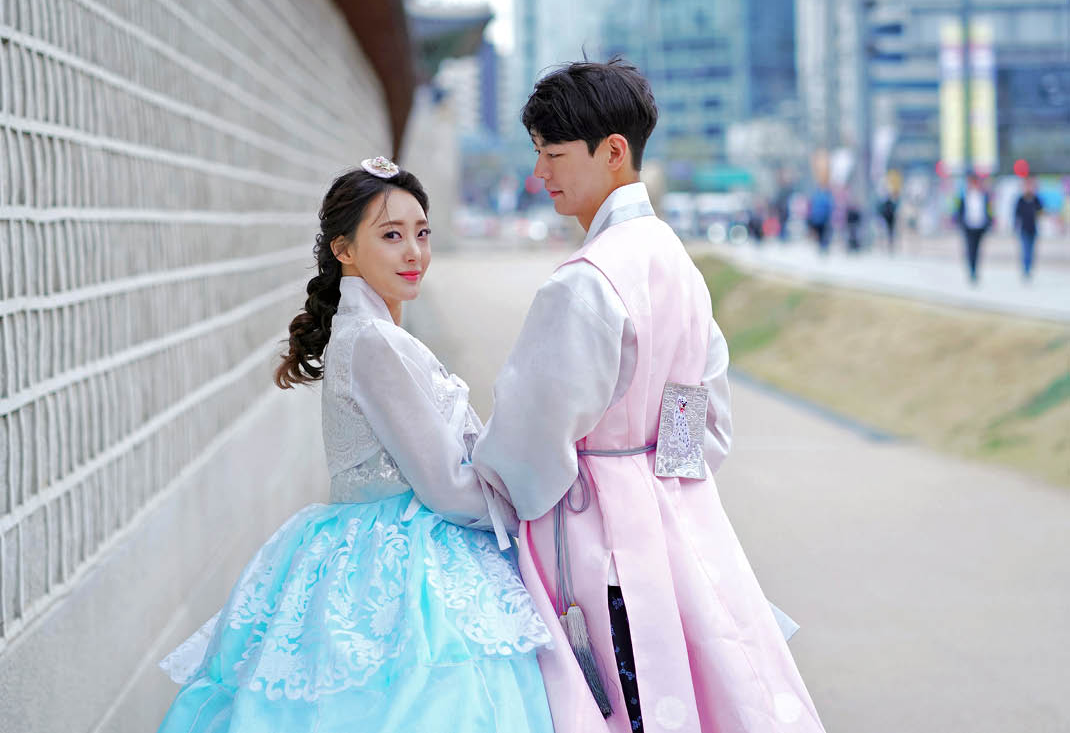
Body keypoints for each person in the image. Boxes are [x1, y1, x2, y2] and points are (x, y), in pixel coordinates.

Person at [473, 60, 824, 733]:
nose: (540, 172)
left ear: (613, 151)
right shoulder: (675, 262)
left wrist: (486, 483)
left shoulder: (585, 281)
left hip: (594, 540)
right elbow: (701, 424)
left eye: (553, 154)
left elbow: (528, 441)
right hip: (677, 527)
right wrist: (654, 476)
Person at [156, 159, 553, 733]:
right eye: (391, 236)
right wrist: (522, 514)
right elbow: (444, 486)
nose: (414, 252)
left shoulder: (371, 333)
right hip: (404, 557)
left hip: (373, 544)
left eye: (422, 233)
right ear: (343, 249)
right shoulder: (374, 342)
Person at [954, 172, 993, 284]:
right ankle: (972, 271)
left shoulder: (984, 195)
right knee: (970, 249)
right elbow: (958, 210)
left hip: (980, 226)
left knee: (978, 249)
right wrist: (960, 222)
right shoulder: (963, 195)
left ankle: (975, 270)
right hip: (968, 226)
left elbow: (989, 210)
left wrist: (989, 222)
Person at [1014, 177, 1044, 280]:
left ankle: (1029, 267)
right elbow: (1016, 214)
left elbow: (1041, 211)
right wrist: (1015, 226)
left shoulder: (1035, 199)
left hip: (1033, 229)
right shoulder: (1021, 200)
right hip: (1023, 229)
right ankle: (1026, 269)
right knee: (1025, 249)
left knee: (1031, 250)